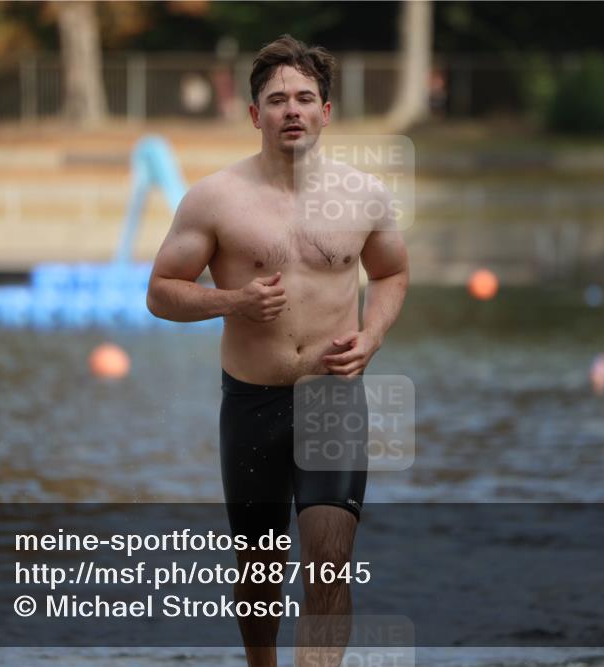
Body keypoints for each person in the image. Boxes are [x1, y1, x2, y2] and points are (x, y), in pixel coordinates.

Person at [147, 35, 409, 667]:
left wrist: (371, 337)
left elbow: (393, 274)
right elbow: (160, 291)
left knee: (328, 556)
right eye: (276, 99)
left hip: (331, 397)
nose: (292, 109)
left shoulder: (365, 196)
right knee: (260, 573)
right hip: (252, 402)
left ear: (326, 112)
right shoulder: (215, 199)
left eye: (305, 98)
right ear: (254, 114)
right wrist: (231, 302)